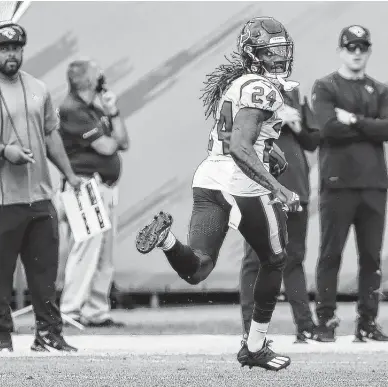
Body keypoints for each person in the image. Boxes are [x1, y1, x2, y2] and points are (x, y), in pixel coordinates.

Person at [135, 17, 302, 371]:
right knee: (274, 259)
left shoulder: (238, 84)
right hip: (243, 184)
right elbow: (241, 148)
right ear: (254, 55)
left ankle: (166, 241)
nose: (279, 57)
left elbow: (231, 138)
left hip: (209, 175)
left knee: (197, 269)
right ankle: (254, 346)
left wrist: (268, 150)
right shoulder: (262, 88)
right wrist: (279, 188)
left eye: (280, 50)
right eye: (271, 52)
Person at [0, 21, 81, 352]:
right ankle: (2, 335)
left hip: (40, 195)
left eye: (16, 48)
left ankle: (48, 334)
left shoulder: (38, 88)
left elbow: (50, 134)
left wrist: (70, 175)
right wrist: (4, 151)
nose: (12, 55)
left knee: (45, 271)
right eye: (4, 49)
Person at [312, 25, 388, 342]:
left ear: (369, 51)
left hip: (373, 185)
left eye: (362, 47)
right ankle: (326, 320)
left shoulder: (380, 89)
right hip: (338, 182)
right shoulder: (326, 86)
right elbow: (328, 128)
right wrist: (368, 126)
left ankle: (367, 321)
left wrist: (354, 120)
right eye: (350, 47)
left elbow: (386, 130)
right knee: (331, 253)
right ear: (341, 50)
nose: (356, 52)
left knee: (371, 256)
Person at [240, 87, 321, 343]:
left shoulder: (295, 92)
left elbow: (312, 139)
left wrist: (296, 125)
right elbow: (235, 132)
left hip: (295, 183)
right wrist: (276, 117)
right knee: (255, 259)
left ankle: (305, 326)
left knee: (294, 258)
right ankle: (251, 332)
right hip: (260, 185)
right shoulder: (246, 89)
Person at [58, 59, 129, 327]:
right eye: (96, 72)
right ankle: (70, 309)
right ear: (86, 80)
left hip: (105, 187)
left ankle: (95, 311)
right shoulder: (72, 109)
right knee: (86, 248)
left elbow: (123, 142)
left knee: (104, 255)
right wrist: (112, 138)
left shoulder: (93, 110)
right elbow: (107, 147)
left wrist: (114, 112)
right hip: (83, 185)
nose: (102, 75)